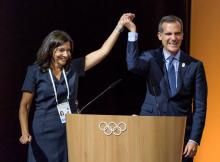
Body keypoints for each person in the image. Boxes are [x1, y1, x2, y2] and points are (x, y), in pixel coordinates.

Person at [19, 13, 135, 162]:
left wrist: (119, 26)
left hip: (70, 129)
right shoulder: (35, 71)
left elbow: (103, 51)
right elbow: (25, 105)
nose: (66, 54)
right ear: (50, 49)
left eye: (68, 50)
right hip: (44, 131)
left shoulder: (73, 68)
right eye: (61, 50)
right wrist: (24, 132)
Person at [124, 15, 207, 162]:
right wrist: (132, 31)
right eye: (168, 34)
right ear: (159, 36)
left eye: (177, 33)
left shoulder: (195, 66)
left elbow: (200, 107)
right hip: (149, 131)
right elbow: (132, 65)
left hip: (181, 137)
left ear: (182, 35)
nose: (173, 38)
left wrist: (194, 139)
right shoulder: (150, 58)